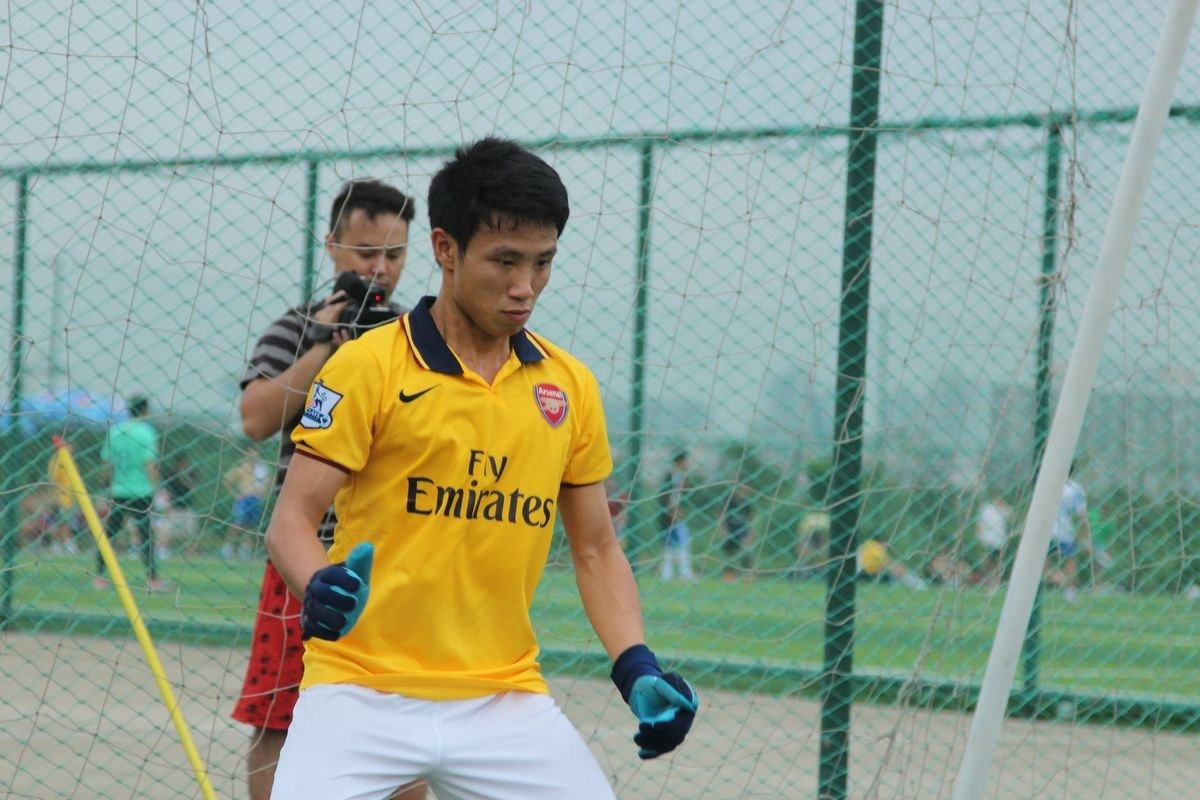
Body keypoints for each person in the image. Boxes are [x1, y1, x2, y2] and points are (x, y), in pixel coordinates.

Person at [265, 138, 698, 799]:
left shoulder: (569, 387)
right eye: (505, 261)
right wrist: (318, 584)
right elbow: (291, 519)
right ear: (445, 248)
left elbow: (595, 548)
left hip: (504, 698)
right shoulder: (367, 366)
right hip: (359, 691)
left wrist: (635, 665)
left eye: (542, 262)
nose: (526, 286)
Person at [235, 178, 424, 800]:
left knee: (405, 726)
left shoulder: (416, 334)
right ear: (333, 246)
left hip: (398, 555)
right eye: (366, 252)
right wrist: (324, 344)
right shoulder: (296, 329)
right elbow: (256, 419)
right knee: (280, 716)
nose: (380, 268)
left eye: (394, 254)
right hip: (306, 553)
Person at [95, 395, 163, 591]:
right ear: (145, 410)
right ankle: (152, 579)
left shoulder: (115, 431)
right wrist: (157, 487)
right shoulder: (146, 432)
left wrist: (104, 486)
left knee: (110, 534)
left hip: (118, 490)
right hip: (141, 491)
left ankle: (100, 576)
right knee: (146, 536)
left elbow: (106, 463)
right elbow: (149, 463)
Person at [1047, 462, 1092, 601]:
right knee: (1071, 561)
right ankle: (1069, 591)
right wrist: (1085, 535)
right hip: (1066, 531)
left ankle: (1053, 579)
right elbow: (1081, 515)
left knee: (1043, 560)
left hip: (1046, 530)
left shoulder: (1047, 484)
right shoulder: (1076, 489)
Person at [222, 450, 271, 561]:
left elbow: (268, 483)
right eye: (251, 454)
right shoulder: (242, 467)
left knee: (250, 526)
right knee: (237, 524)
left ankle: (245, 551)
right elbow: (227, 479)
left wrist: (264, 495)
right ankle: (228, 548)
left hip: (256, 500)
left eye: (256, 454)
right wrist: (234, 493)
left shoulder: (261, 469)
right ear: (246, 455)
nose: (253, 456)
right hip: (243, 499)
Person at [658, 449, 696, 581]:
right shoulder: (669, 476)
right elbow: (665, 495)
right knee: (670, 544)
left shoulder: (681, 476)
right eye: (685, 461)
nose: (687, 464)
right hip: (669, 516)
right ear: (679, 462)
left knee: (681, 542)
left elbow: (687, 491)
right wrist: (671, 510)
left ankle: (682, 572)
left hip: (678, 516)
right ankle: (670, 573)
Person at [161, 454, 200, 557]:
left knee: (190, 532)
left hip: (187, 507)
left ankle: (190, 553)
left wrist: (184, 476)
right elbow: (168, 491)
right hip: (174, 507)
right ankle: (162, 550)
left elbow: (193, 487)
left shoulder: (191, 473)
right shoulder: (171, 474)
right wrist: (167, 506)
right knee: (167, 531)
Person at [720, 482, 755, 583]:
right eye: (742, 490)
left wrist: (750, 533)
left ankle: (747, 575)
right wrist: (723, 529)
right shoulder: (730, 502)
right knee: (729, 553)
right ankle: (729, 575)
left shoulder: (747, 504)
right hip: (731, 529)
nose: (744, 493)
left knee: (747, 552)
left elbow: (749, 518)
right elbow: (721, 515)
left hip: (743, 530)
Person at [974, 494, 1011, 589]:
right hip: (987, 541)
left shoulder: (1003, 509)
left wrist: (1002, 506)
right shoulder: (986, 508)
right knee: (987, 562)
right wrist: (980, 537)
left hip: (999, 542)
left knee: (997, 563)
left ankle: (994, 581)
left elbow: (1010, 515)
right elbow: (979, 523)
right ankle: (983, 580)